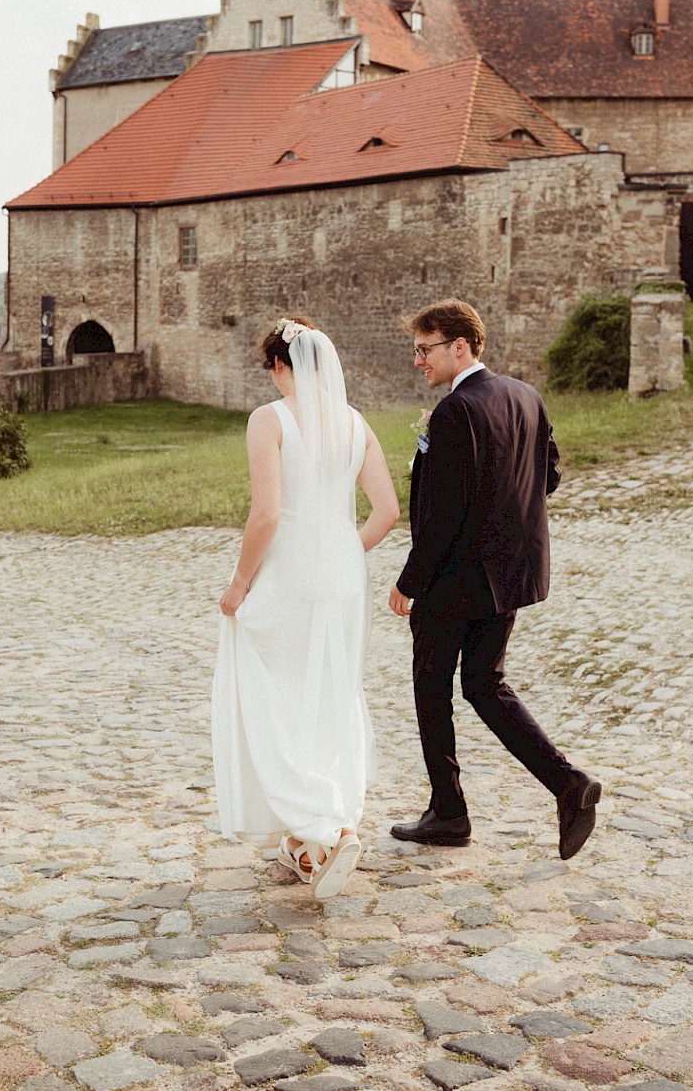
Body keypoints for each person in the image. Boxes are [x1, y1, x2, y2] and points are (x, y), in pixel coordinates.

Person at [388, 298, 601, 860]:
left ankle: (448, 812)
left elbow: (443, 513)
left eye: (425, 349)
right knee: (484, 683)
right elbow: (548, 474)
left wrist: (409, 581)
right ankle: (568, 784)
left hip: (454, 579)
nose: (418, 360)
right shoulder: (525, 396)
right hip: (505, 575)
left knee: (432, 684)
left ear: (460, 346)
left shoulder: (455, 412)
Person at [213, 314, 399, 898]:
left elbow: (267, 514)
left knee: (270, 691)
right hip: (342, 577)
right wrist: (341, 550)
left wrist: (240, 583)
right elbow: (387, 511)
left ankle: (316, 823)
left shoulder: (269, 420)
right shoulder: (354, 422)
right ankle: (326, 828)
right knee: (331, 690)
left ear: (278, 365)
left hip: (289, 571)